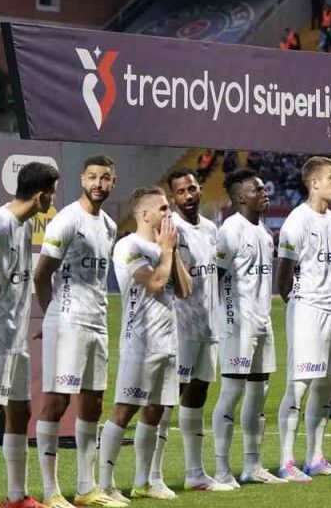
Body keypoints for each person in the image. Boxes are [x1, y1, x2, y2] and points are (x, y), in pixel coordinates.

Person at [32, 155, 121, 508]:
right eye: (93, 177)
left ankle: (86, 488)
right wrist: (52, 316)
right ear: (82, 179)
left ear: (113, 182)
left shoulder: (110, 225)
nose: (98, 183)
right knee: (57, 402)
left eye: (105, 178)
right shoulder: (67, 220)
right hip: (67, 321)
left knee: (93, 403)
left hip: (97, 321)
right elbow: (41, 275)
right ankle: (50, 491)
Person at [0, 161, 59, 508]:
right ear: (40, 195)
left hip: (15, 336)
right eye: (51, 193)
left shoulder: (23, 225)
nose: (52, 199)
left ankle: (17, 496)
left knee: (20, 411)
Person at [98, 188, 192, 501]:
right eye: (163, 208)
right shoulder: (128, 246)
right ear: (144, 214)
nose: (169, 213)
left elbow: (185, 290)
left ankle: (144, 481)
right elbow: (155, 282)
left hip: (168, 343)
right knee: (124, 410)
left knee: (156, 411)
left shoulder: (166, 247)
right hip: (140, 342)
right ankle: (105, 484)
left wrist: (171, 251)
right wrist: (166, 251)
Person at [275, 156, 331, 480]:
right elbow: (283, 275)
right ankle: (286, 461)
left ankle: (315, 457)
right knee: (298, 386)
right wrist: (299, 303)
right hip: (308, 309)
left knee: (325, 385)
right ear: (314, 183)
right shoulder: (296, 221)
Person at [154, 168, 224, 492]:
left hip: (207, 326)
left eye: (192, 188)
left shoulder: (210, 228)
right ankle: (153, 475)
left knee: (197, 395)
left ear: (200, 189)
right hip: (179, 327)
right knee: (169, 398)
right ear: (173, 197)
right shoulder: (170, 230)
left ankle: (195, 473)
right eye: (181, 192)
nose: (188, 195)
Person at [212, 169, 283, 487]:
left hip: (262, 323)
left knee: (259, 393)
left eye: (264, 188)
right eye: (257, 190)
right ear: (241, 197)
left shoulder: (264, 232)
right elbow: (214, 278)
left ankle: (252, 466)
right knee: (232, 392)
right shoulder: (230, 230)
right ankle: (221, 469)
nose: (264, 193)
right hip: (237, 325)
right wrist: (220, 320)